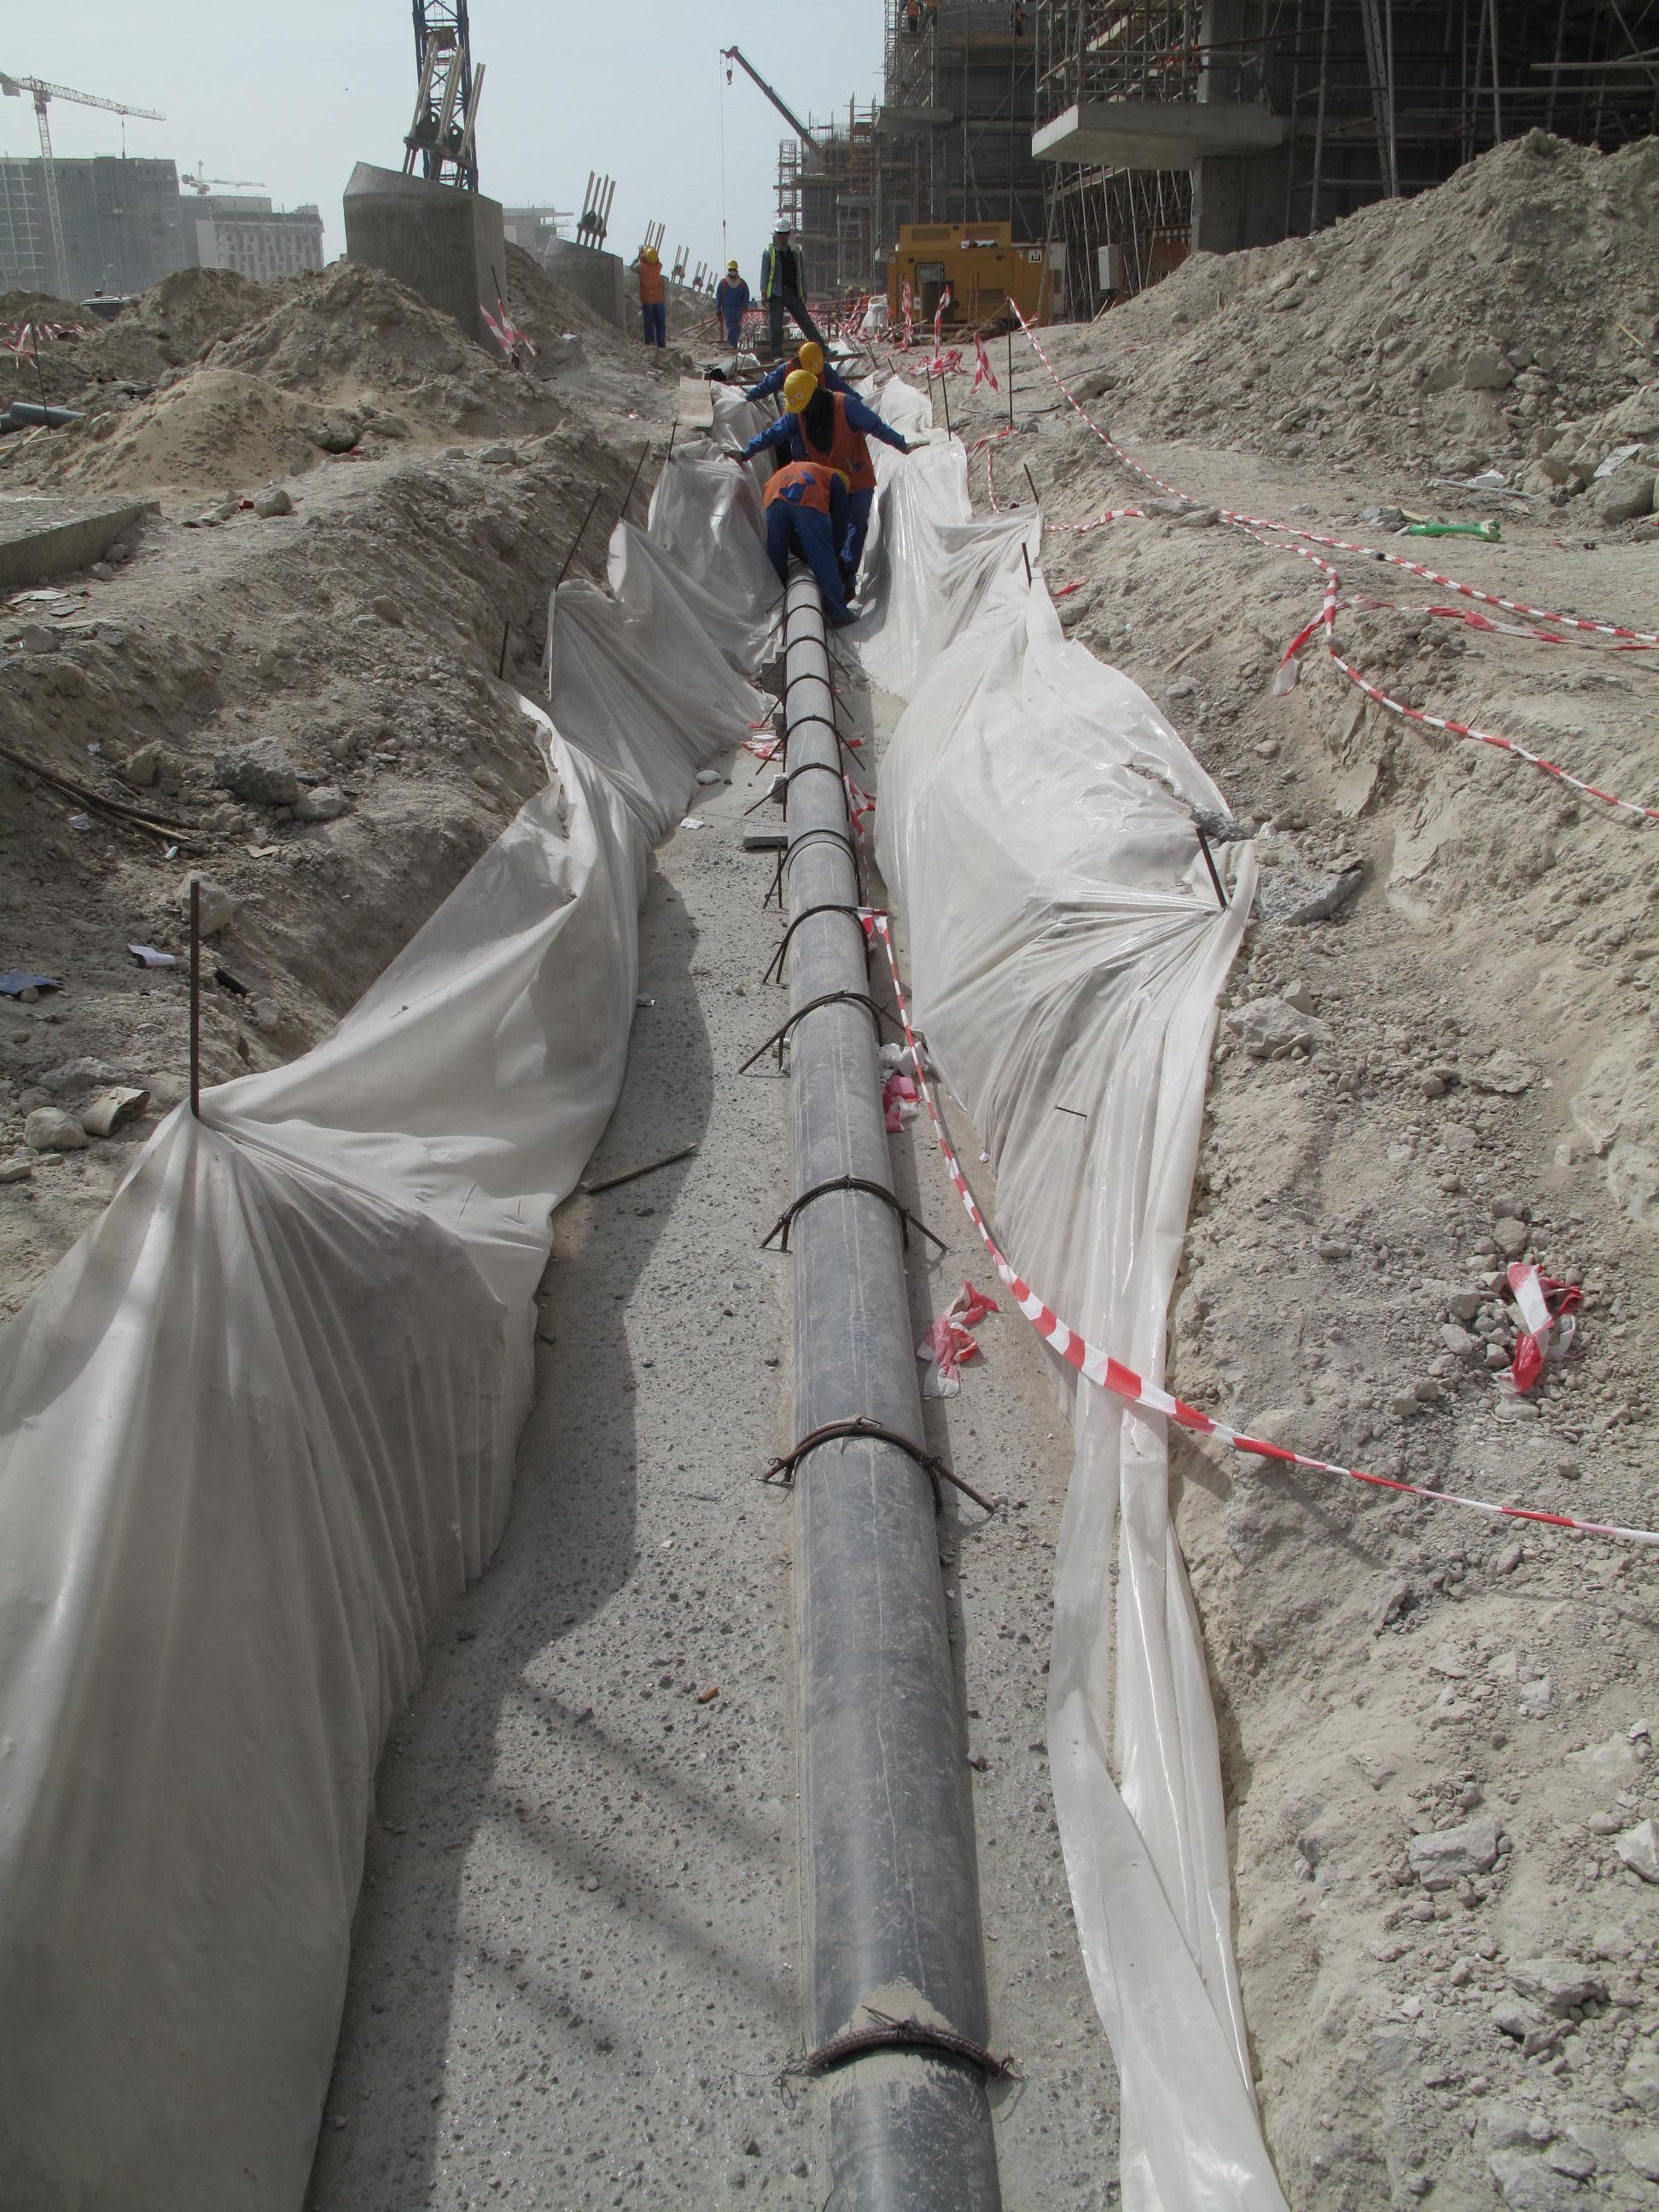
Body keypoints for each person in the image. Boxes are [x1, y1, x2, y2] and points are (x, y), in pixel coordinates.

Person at [737, 367, 912, 582]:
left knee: (857, 524)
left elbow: (876, 426)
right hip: (828, 484)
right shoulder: (799, 416)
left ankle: (847, 575)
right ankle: (831, 570)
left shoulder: (846, 405)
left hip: (857, 480)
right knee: (831, 528)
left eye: (805, 407)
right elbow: (772, 434)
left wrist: (903, 445)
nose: (804, 413)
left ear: (815, 395)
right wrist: (746, 453)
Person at [760, 459, 858, 626]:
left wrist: (803, 554)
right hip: (807, 496)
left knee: (775, 555)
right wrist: (834, 553)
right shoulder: (837, 481)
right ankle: (838, 614)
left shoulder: (811, 469)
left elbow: (792, 539)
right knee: (822, 557)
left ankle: (776, 608)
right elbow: (840, 525)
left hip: (774, 496)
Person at [759, 226, 826, 360]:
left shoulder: (795, 251)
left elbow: (801, 272)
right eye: (781, 234)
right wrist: (763, 292)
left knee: (806, 322)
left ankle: (822, 348)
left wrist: (804, 289)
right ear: (777, 234)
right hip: (776, 293)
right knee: (776, 326)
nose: (783, 236)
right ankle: (777, 354)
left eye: (786, 234)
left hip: (792, 292)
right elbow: (764, 273)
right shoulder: (770, 251)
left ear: (789, 234)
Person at [743, 339, 851, 407]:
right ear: (800, 361)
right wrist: (749, 397)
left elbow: (841, 387)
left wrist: (859, 401)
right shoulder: (786, 369)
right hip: (796, 411)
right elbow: (767, 385)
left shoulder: (824, 368)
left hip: (819, 411)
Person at [715, 259, 750, 349]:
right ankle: (732, 345)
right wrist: (718, 309)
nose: (732, 272)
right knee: (732, 328)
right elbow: (719, 297)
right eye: (731, 270)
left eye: (734, 270)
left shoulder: (742, 283)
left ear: (737, 271)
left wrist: (745, 305)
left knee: (737, 328)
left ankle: (734, 345)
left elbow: (746, 295)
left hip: (738, 311)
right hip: (728, 311)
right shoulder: (723, 283)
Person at [637, 244, 666, 350]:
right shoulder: (658, 266)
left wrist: (640, 255)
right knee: (660, 323)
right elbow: (656, 259)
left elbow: (632, 266)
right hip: (659, 299)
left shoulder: (641, 266)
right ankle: (661, 345)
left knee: (649, 322)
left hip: (647, 299)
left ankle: (650, 344)